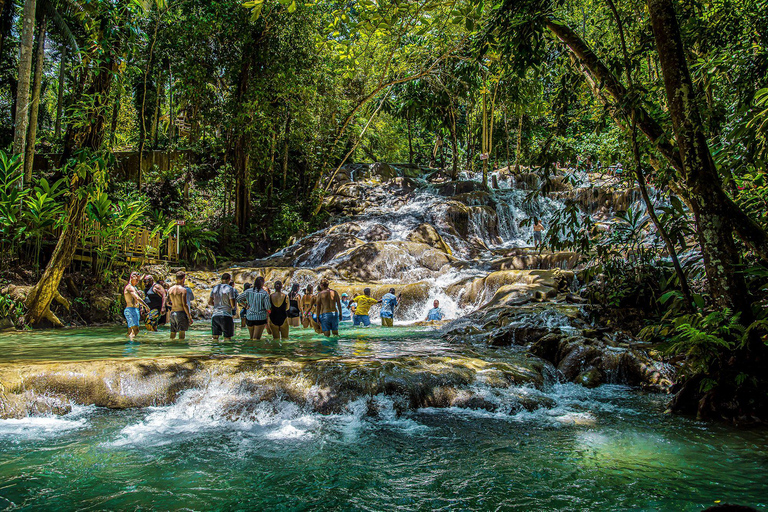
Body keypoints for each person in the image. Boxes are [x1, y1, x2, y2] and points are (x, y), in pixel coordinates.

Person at [238, 276, 271, 340]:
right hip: (260, 317)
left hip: (250, 317)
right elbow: (267, 307)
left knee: (251, 338)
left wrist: (245, 306)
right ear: (262, 283)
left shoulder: (248, 291)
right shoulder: (264, 293)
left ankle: (249, 349)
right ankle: (256, 350)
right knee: (256, 338)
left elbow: (238, 299)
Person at [208, 272, 238, 342]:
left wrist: (216, 305)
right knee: (227, 338)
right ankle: (227, 352)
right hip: (226, 315)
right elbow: (233, 304)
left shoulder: (215, 288)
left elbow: (209, 302)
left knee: (215, 338)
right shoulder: (230, 288)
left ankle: (215, 352)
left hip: (215, 315)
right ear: (229, 279)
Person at [123, 271, 149, 341]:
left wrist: (141, 307)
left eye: (138, 280)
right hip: (131, 310)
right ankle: (132, 348)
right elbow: (137, 298)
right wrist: (146, 306)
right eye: (136, 280)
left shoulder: (134, 287)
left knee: (130, 331)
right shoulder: (130, 287)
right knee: (135, 330)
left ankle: (128, 346)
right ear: (132, 277)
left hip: (134, 310)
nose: (137, 282)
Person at [167, 271, 193, 339]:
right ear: (183, 279)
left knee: (173, 333)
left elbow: (167, 303)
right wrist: (189, 317)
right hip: (181, 313)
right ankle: (181, 347)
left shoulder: (170, 289)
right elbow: (184, 304)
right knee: (182, 333)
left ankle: (171, 347)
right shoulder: (183, 290)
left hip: (172, 313)